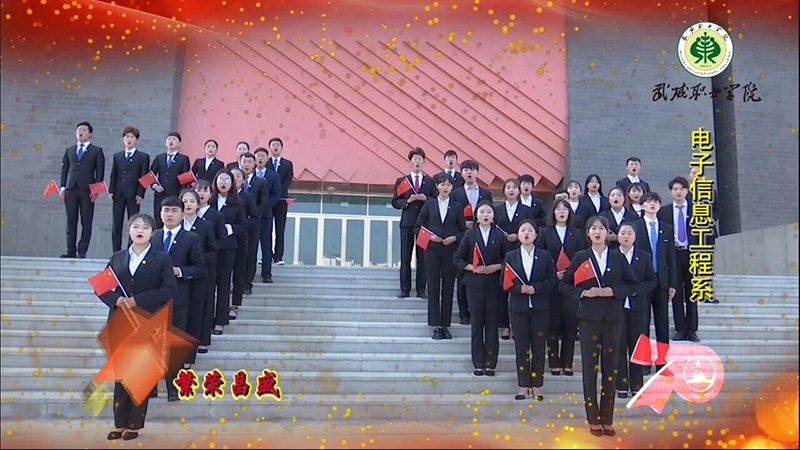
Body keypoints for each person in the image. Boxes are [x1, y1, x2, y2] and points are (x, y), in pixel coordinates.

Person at [99, 213, 176, 441]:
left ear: (152, 233)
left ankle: (134, 424)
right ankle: (119, 422)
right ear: (129, 231)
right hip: (120, 321)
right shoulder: (118, 257)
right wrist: (116, 300)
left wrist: (138, 300)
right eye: (135, 226)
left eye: (145, 227)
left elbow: (169, 289)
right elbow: (102, 287)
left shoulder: (161, 259)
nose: (139, 230)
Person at [560, 216, 638, 437]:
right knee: (590, 369)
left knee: (610, 369)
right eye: (593, 228)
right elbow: (564, 285)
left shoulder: (618, 257)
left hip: (613, 319)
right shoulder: (581, 257)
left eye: (601, 228)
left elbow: (633, 284)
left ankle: (608, 418)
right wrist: (584, 293)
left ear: (607, 233)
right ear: (587, 233)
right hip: (588, 319)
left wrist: (614, 291)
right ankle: (593, 418)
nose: (597, 232)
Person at [152, 196, 206, 401]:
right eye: (166, 210)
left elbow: (200, 268)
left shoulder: (191, 239)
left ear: (183, 214)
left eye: (174, 210)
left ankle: (172, 387)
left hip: (178, 299)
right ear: (160, 214)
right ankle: (151, 386)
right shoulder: (152, 237)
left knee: (174, 345)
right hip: (152, 300)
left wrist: (179, 271)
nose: (170, 214)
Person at [503, 220, 558, 401]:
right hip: (518, 308)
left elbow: (552, 279)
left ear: (536, 234)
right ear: (518, 234)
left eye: (530, 230)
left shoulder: (544, 255)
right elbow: (504, 281)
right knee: (521, 348)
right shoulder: (511, 256)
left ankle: (537, 385)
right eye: (523, 230)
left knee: (539, 348)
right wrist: (519, 289)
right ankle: (523, 385)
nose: (526, 233)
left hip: (540, 307)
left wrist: (536, 288)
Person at [453, 201, 510, 376]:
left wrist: (496, 267)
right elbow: (457, 258)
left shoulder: (499, 235)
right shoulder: (470, 234)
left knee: (492, 325)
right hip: (474, 285)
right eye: (482, 212)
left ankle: (491, 363)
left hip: (494, 285)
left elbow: (508, 259)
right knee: (477, 324)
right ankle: (478, 363)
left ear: (493, 216)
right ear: (476, 216)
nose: (486, 215)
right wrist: (472, 268)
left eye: (489, 212)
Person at [537, 199, 586, 376]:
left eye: (565, 208)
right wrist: (553, 272)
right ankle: (554, 362)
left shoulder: (576, 233)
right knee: (552, 323)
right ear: (553, 212)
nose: (561, 211)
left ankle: (567, 362)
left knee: (570, 324)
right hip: (551, 283)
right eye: (558, 209)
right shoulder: (544, 232)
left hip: (570, 283)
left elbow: (581, 256)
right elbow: (540, 255)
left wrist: (568, 273)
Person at [414, 172, 467, 340]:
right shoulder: (429, 204)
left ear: (452, 187)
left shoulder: (457, 206)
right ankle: (435, 325)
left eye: (448, 184)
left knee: (448, 287)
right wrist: (430, 237)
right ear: (437, 186)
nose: (445, 187)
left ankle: (445, 325)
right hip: (432, 250)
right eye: (442, 184)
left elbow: (463, 231)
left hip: (450, 250)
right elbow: (417, 227)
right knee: (434, 287)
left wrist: (454, 238)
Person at [632, 191, 677, 372]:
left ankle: (662, 362)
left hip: (662, 282)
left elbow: (671, 258)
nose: (652, 204)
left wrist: (672, 283)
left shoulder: (667, 228)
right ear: (642, 205)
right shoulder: (635, 226)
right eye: (649, 201)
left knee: (662, 323)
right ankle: (643, 361)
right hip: (642, 282)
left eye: (656, 202)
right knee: (642, 323)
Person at [615, 222, 658, 399]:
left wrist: (636, 290)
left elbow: (652, 280)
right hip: (616, 306)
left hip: (638, 307)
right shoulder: (611, 255)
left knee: (637, 347)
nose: (626, 236)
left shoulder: (644, 256)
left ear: (635, 236)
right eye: (623, 233)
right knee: (619, 346)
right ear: (617, 236)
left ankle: (636, 385)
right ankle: (621, 385)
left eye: (629, 233)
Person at [451, 159, 493, 325]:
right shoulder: (456, 193)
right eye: (466, 170)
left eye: (472, 169)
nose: (469, 172)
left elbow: (490, 213)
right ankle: (464, 313)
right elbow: (453, 216)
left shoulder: (486, 194)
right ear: (461, 173)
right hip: (463, 238)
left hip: (482, 237)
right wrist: (463, 224)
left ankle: (480, 312)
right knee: (463, 277)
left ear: (477, 172)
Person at [658, 177, 699, 341]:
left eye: (681, 189)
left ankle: (692, 329)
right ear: (670, 192)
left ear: (687, 191)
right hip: (673, 255)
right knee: (676, 293)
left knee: (692, 293)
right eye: (675, 189)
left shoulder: (697, 210)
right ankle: (680, 328)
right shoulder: (664, 212)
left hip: (692, 254)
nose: (678, 192)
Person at [180, 189, 217, 368]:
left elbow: (213, 251)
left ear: (198, 204)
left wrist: (197, 258)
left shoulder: (205, 226)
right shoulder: (175, 226)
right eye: (185, 201)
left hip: (199, 275)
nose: (188, 205)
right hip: (178, 278)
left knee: (196, 313)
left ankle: (189, 356)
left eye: (191, 201)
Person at [391, 147, 435, 298]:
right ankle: (405, 289)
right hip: (407, 224)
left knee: (422, 258)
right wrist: (407, 201)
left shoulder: (430, 181)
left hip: (423, 225)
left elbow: (436, 200)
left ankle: (421, 290)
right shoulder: (402, 181)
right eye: (415, 159)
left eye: (420, 159)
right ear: (410, 162)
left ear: (424, 162)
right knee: (405, 257)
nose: (417, 162)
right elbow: (395, 202)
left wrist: (425, 198)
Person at [494, 178, 534, 339]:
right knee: (504, 289)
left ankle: (519, 327)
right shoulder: (497, 210)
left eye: (514, 187)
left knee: (520, 288)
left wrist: (518, 236)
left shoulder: (526, 210)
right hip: (502, 252)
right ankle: (505, 325)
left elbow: (530, 228)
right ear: (504, 191)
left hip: (521, 251)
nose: (511, 190)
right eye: (508, 187)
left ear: (519, 190)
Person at [60, 121, 105, 258]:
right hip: (71, 188)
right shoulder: (69, 150)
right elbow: (65, 169)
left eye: (84, 130)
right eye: (79, 129)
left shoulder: (96, 151)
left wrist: (96, 190)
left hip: (87, 190)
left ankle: (82, 251)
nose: (81, 132)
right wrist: (62, 187)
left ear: (90, 134)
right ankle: (70, 250)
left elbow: (100, 171)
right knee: (71, 220)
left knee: (86, 221)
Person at [209, 171, 246, 336]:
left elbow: (243, 226)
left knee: (224, 284)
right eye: (220, 179)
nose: (223, 183)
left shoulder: (237, 203)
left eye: (227, 180)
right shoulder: (208, 201)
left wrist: (229, 228)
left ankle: (220, 320)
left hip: (228, 247)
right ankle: (207, 319)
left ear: (232, 183)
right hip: (210, 247)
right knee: (209, 284)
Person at [193, 180, 227, 354]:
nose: (201, 194)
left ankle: (203, 340)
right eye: (198, 190)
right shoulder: (185, 215)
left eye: (205, 191)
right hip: (187, 267)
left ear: (210, 194)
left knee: (206, 302)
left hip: (207, 264)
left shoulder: (216, 216)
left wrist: (204, 252)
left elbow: (222, 240)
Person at [239, 152, 279, 292]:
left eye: (250, 162)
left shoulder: (261, 182)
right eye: (244, 162)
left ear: (254, 163)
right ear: (240, 163)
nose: (247, 165)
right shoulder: (235, 181)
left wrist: (254, 214)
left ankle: (248, 283)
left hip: (255, 221)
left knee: (252, 251)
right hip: (238, 222)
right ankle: (238, 282)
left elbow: (265, 200)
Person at [110, 126, 150, 252]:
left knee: (133, 223)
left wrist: (141, 193)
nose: (129, 139)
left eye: (132, 137)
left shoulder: (143, 157)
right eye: (127, 137)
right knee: (116, 223)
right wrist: (111, 191)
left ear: (136, 140)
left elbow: (144, 176)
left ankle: (130, 250)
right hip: (118, 193)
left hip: (134, 194)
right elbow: (114, 174)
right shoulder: (117, 156)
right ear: (123, 139)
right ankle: (116, 251)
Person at [686, 166, 720, 304]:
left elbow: (717, 209)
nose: (697, 176)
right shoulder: (685, 193)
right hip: (690, 233)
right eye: (694, 173)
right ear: (689, 176)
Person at [229, 168, 257, 319]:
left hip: (240, 238)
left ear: (243, 180)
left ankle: (235, 305)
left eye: (238, 176)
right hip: (222, 240)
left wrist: (241, 225)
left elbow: (255, 217)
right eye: (232, 176)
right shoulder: (220, 197)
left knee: (238, 272)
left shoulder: (248, 197)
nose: (235, 179)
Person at [252, 147, 282, 283]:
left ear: (267, 159)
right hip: (250, 215)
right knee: (251, 246)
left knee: (266, 244)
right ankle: (249, 273)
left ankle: (266, 274)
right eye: (258, 156)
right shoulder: (249, 175)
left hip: (265, 215)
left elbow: (276, 195)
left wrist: (263, 207)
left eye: (263, 156)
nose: (260, 158)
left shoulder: (273, 176)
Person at [150, 132, 190, 228]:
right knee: (159, 221)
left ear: (179, 143)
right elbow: (150, 174)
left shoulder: (183, 159)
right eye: (169, 139)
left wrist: (181, 195)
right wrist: (155, 186)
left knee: (175, 221)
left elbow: (185, 179)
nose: (171, 141)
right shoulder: (159, 158)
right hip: (160, 194)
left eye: (174, 139)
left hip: (175, 194)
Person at [266, 138, 294, 265]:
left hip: (281, 200)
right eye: (273, 145)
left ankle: (278, 256)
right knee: (267, 229)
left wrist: (278, 191)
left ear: (281, 147)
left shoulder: (287, 164)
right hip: (268, 201)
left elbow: (288, 179)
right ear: (270, 148)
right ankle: (267, 255)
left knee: (280, 229)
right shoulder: (266, 163)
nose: (275, 147)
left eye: (277, 145)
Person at [600, 186, 634, 250]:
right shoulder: (602, 216)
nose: (615, 197)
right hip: (609, 248)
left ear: (624, 199)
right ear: (609, 200)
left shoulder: (633, 215)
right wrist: (606, 237)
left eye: (619, 195)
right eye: (612, 195)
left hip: (628, 249)